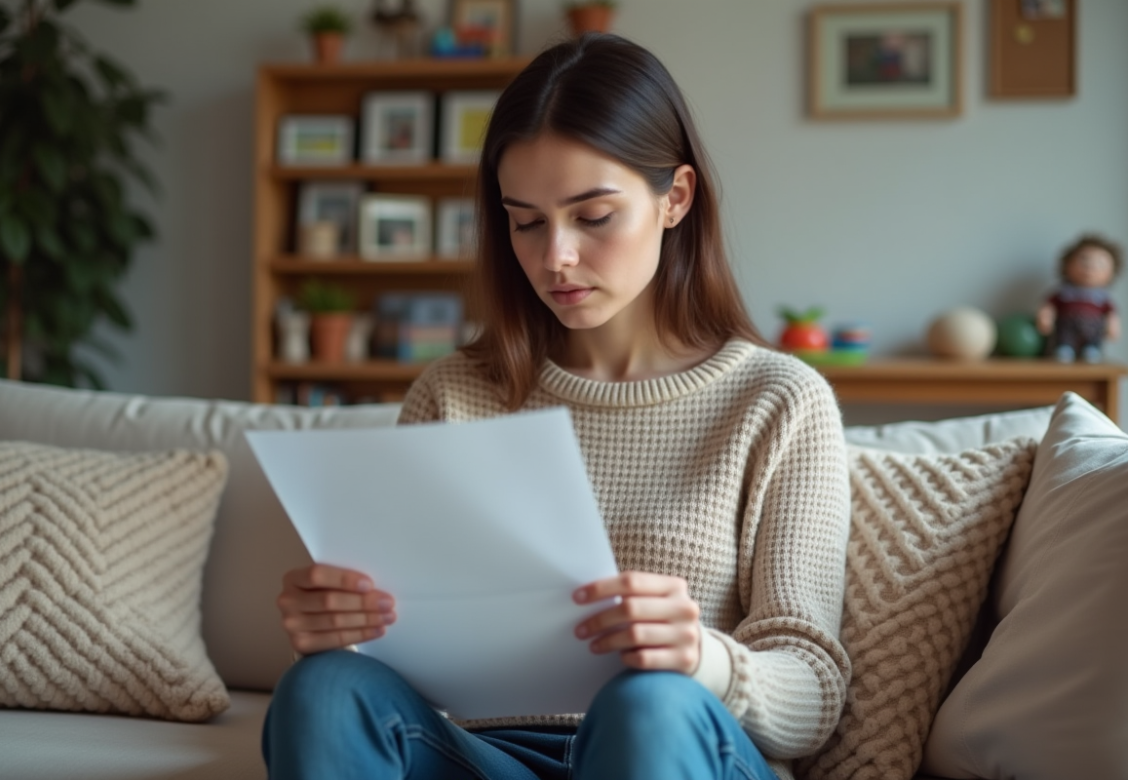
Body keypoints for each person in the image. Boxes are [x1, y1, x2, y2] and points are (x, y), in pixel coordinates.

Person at [264, 33, 852, 780]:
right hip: (488, 757)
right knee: (322, 688)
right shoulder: (451, 394)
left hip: (669, 745)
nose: (555, 258)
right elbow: (402, 651)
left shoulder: (778, 402)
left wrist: (704, 659)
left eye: (593, 216)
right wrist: (337, 632)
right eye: (527, 220)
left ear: (674, 198)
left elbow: (815, 694)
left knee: (646, 704)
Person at [1036, 234, 1122, 363]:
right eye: (1084, 260)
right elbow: (1049, 306)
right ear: (1067, 265)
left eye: (1099, 264)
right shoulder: (1063, 292)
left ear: (1111, 272)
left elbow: (1111, 313)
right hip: (1066, 331)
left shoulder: (1103, 298)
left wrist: (1113, 325)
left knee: (1093, 345)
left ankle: (1091, 349)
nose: (1090, 267)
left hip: (1092, 333)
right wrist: (1045, 316)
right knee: (1064, 341)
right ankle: (1064, 349)